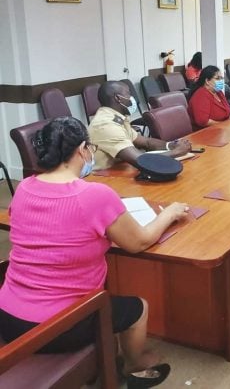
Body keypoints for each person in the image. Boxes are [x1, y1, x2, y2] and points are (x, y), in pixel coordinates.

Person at [0, 117, 190, 387]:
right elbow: (138, 242)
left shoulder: (24, 188)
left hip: (7, 316)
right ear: (81, 150)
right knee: (138, 308)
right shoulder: (94, 195)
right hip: (57, 325)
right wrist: (170, 213)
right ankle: (134, 364)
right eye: (89, 147)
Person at [89, 81, 191, 170]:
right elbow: (140, 160)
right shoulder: (106, 125)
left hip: (119, 170)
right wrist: (177, 151)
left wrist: (170, 145)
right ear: (118, 98)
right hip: (105, 178)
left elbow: (146, 142)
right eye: (128, 94)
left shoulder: (117, 117)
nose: (131, 98)